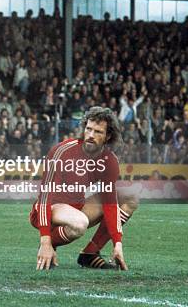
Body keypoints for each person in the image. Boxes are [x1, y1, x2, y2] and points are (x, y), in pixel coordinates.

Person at [30, 106, 139, 270]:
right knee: (80, 222)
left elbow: (110, 205)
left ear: (107, 136)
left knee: (130, 196)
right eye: (88, 129)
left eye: (98, 132)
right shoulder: (62, 151)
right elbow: (45, 198)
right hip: (47, 211)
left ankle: (90, 254)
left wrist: (117, 243)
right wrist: (45, 240)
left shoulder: (109, 161)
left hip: (77, 208)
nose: (91, 135)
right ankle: (49, 245)